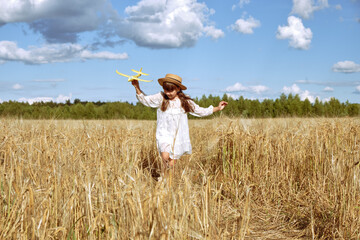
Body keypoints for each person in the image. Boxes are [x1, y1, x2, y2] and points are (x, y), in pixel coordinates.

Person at [132, 73, 227, 178]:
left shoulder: (185, 101)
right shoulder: (161, 97)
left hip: (178, 136)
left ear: (178, 89)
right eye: (166, 90)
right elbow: (146, 100)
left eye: (171, 90)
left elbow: (200, 111)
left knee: (171, 164)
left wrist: (217, 108)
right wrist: (137, 87)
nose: (168, 93)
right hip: (164, 133)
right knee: (165, 156)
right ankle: (164, 178)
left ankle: (166, 181)